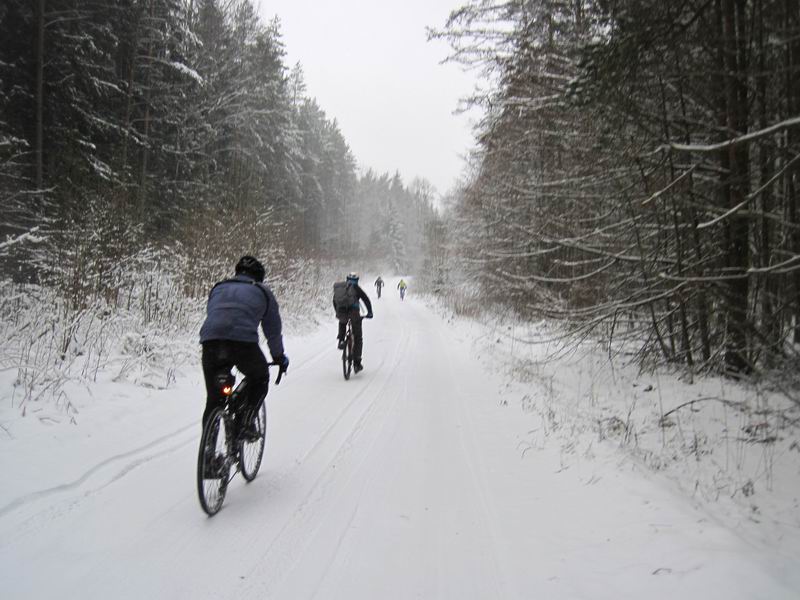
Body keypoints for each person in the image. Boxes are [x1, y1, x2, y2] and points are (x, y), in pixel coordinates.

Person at [199, 256, 289, 439]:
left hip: (211, 342)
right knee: (260, 376)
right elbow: (273, 330)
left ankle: (209, 452)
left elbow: (215, 314)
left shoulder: (219, 287)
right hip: (242, 343)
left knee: (214, 399)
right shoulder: (262, 291)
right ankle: (246, 421)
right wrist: (279, 356)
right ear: (259, 276)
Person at [333, 272, 373, 373]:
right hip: (354, 313)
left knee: (342, 321)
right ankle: (357, 363)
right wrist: (369, 312)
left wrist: (337, 311)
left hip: (341, 311)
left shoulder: (340, 288)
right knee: (358, 337)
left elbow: (335, 301)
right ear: (357, 280)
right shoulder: (356, 288)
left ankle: (341, 340)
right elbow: (366, 299)